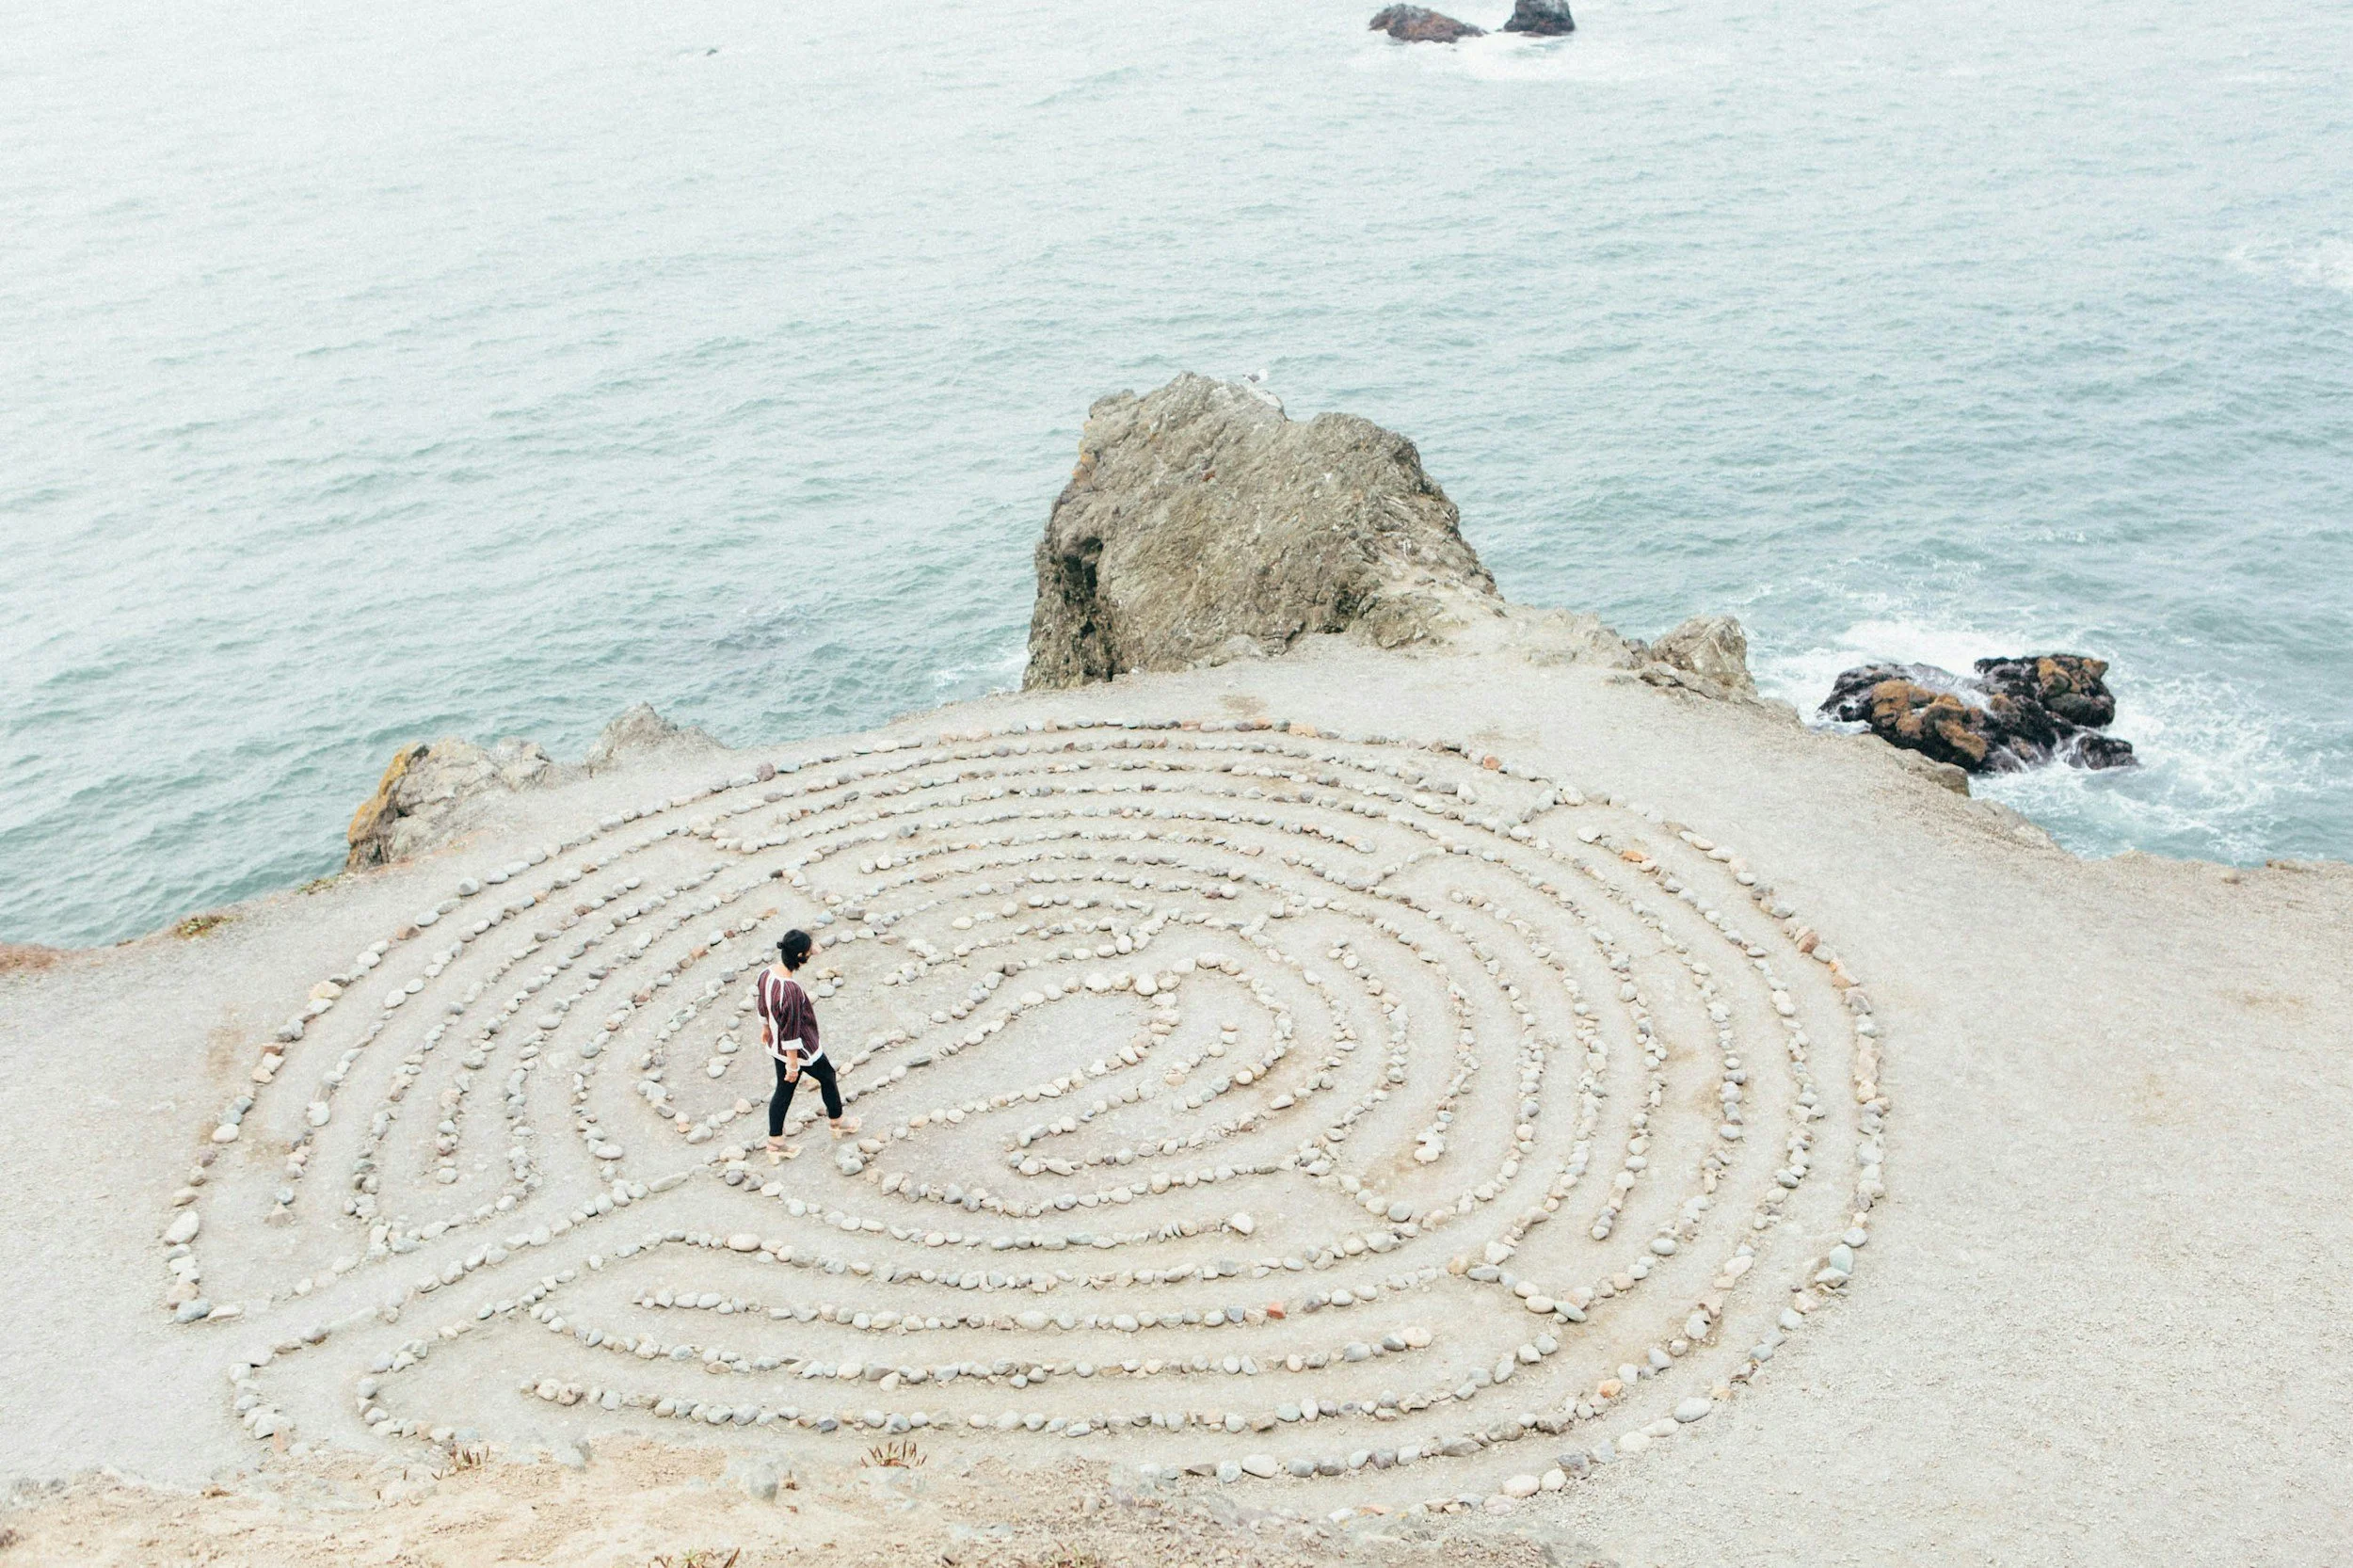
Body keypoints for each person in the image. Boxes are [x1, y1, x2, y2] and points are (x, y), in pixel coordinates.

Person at [753, 929, 856, 1160]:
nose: (811, 953)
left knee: (784, 1090)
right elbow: (791, 1027)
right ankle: (837, 1121)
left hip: (777, 1045)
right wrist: (792, 1063)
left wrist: (766, 1028)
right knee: (827, 1075)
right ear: (800, 956)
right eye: (808, 951)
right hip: (800, 1049)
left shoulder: (766, 974)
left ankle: (775, 1141)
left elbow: (762, 1003)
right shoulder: (791, 990)